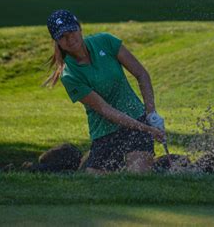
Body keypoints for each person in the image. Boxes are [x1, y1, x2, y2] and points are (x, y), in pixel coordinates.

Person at [43, 10, 166, 174]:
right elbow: (105, 109)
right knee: (97, 183)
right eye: (62, 36)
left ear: (80, 28)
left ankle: (156, 167)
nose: (69, 38)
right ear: (57, 41)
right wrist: (147, 129)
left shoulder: (106, 41)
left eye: (72, 31)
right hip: (104, 133)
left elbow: (141, 74)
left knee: (138, 175)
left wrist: (151, 113)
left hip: (136, 119)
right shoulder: (69, 75)